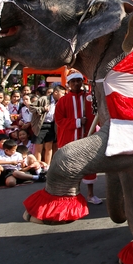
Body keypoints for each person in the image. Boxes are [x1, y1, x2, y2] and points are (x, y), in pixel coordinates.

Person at [55, 71, 101, 204]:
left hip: (87, 137)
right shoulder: (63, 101)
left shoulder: (90, 98)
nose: (76, 83)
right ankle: (72, 195)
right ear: (68, 84)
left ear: (82, 82)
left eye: (78, 81)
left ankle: (90, 195)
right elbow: (59, 120)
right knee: (70, 168)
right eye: (73, 81)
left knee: (89, 166)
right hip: (69, 139)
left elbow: (97, 116)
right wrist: (77, 122)